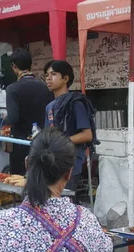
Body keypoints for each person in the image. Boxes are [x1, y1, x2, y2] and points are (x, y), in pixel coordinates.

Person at [44, 60, 96, 191]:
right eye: (46, 75)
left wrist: (61, 141)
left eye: (53, 74)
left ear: (65, 78)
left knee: (66, 200)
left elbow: (87, 135)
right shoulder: (49, 107)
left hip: (70, 163)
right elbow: (48, 134)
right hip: (52, 162)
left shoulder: (75, 102)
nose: (48, 78)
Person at [4, 48, 52, 175]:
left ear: (14, 66)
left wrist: (5, 119)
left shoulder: (12, 89)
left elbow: (13, 118)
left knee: (19, 179)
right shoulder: (44, 86)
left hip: (20, 141)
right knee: (39, 175)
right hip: (42, 140)